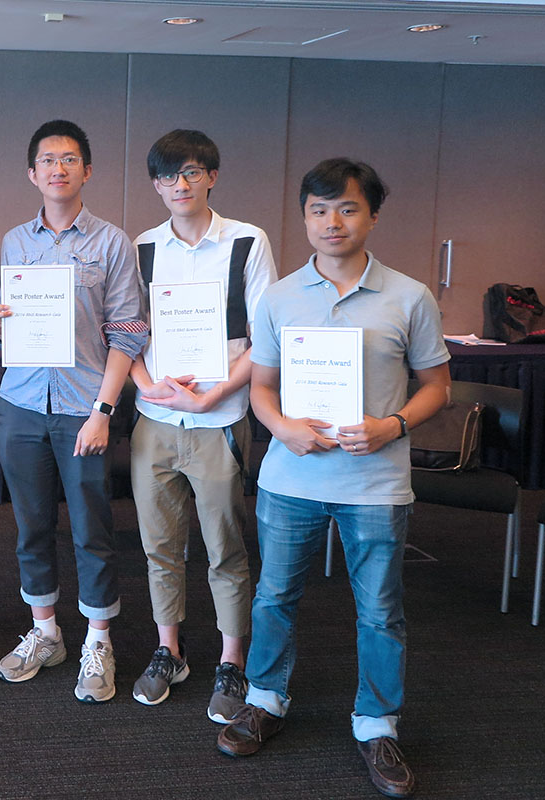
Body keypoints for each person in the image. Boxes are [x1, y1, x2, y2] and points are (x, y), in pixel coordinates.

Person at [215, 159, 450, 800]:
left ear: (372, 216)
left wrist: (391, 425)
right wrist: (281, 427)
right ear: (305, 218)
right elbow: (262, 388)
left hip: (375, 483)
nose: (332, 222)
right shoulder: (279, 297)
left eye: (347, 208)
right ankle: (264, 699)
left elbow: (437, 386)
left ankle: (377, 723)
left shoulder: (409, 297)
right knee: (274, 597)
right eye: (318, 210)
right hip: (290, 478)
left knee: (380, 612)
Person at [0, 120, 147, 702]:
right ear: (32, 174)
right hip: (21, 403)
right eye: (48, 160)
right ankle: (46, 632)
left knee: (91, 528)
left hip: (83, 408)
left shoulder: (112, 243)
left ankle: (98, 641)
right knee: (31, 526)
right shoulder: (14, 242)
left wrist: (103, 410)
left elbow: (128, 333)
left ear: (87, 171)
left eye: (70, 159)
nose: (58, 169)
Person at [126, 130, 277, 720]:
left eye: (191, 172)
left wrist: (215, 393)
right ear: (156, 185)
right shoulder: (143, 246)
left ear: (212, 176)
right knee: (159, 547)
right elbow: (125, 330)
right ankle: (170, 651)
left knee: (224, 547)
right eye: (168, 176)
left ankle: (232, 660)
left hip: (220, 418)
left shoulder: (246, 241)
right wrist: (145, 384)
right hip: (155, 419)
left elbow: (265, 338)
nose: (180, 185)